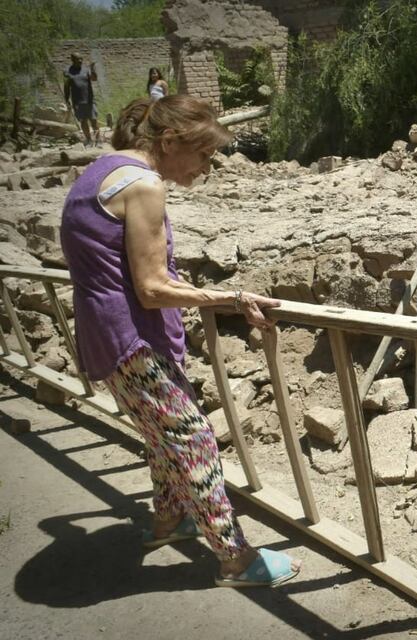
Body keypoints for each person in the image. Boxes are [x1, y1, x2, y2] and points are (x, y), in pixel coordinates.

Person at [59, 94, 301, 588]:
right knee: (193, 438)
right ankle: (236, 559)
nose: (207, 169)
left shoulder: (103, 169)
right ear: (169, 141)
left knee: (162, 432)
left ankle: (170, 520)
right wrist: (230, 297)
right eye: (205, 155)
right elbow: (150, 289)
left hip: (106, 334)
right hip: (133, 340)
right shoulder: (144, 185)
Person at [64, 53, 99, 146]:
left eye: (81, 59)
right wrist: (67, 99)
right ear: (72, 60)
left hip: (90, 100)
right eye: (77, 59)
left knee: (94, 121)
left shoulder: (86, 70)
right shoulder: (68, 72)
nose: (80, 61)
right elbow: (66, 87)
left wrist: (92, 69)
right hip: (78, 101)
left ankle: (98, 140)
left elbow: (94, 79)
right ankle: (89, 140)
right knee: (83, 121)